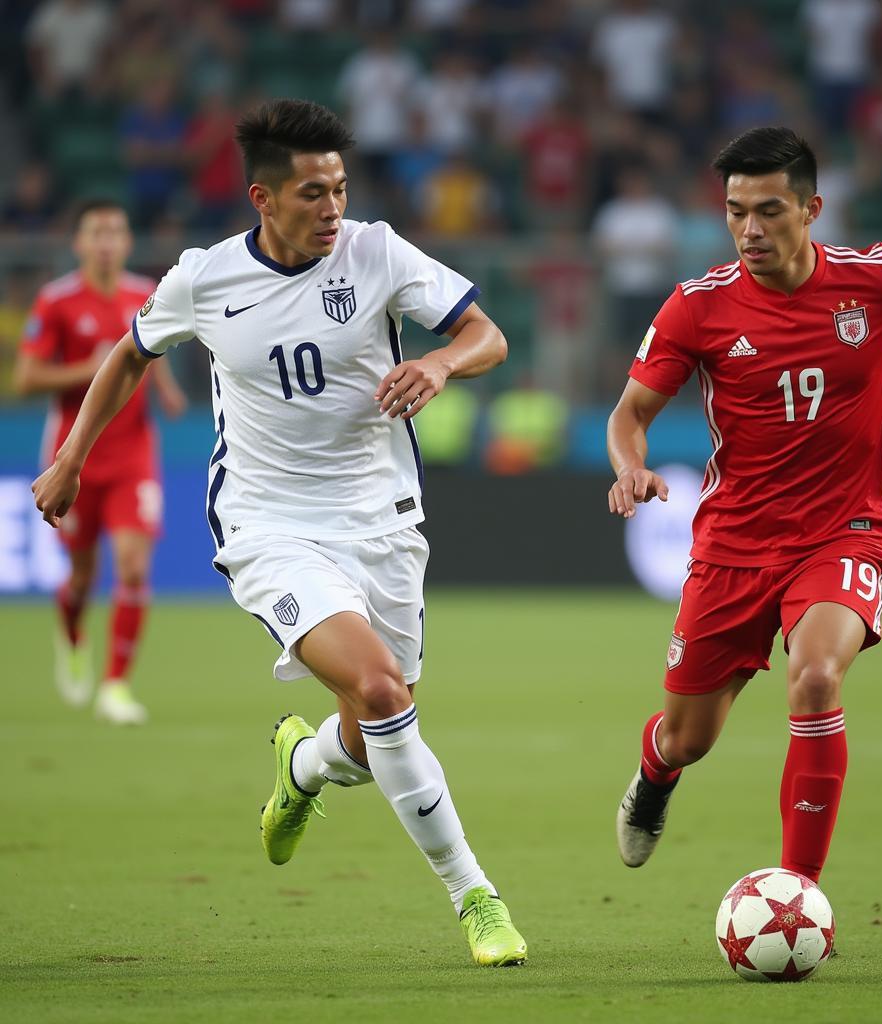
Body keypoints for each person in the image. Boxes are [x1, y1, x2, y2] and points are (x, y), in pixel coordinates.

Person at [31, 99, 527, 967]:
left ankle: (300, 770)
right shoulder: (205, 278)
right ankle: (476, 899)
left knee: (374, 732)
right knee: (382, 695)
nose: (332, 207)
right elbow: (130, 354)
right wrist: (72, 457)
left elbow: (488, 335)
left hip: (382, 517)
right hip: (268, 523)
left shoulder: (377, 251)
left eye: (339, 188)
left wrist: (441, 361)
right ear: (262, 197)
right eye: (311, 193)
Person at [607, 126, 882, 886]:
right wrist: (629, 468)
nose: (749, 229)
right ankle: (656, 771)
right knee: (688, 737)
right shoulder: (696, 307)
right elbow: (628, 415)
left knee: (817, 679)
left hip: (846, 530)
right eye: (735, 212)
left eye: (768, 210)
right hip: (734, 543)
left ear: (812, 210)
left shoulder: (878, 279)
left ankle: (799, 895)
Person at [15, 199, 187, 724]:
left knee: (134, 566)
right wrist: (86, 370)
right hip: (75, 455)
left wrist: (167, 388)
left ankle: (115, 685)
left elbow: (145, 352)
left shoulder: (145, 295)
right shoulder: (57, 301)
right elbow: (25, 380)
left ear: (128, 242)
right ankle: (71, 634)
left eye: (116, 231)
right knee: (83, 576)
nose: (107, 241)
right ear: (79, 243)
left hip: (134, 453)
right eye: (97, 232)